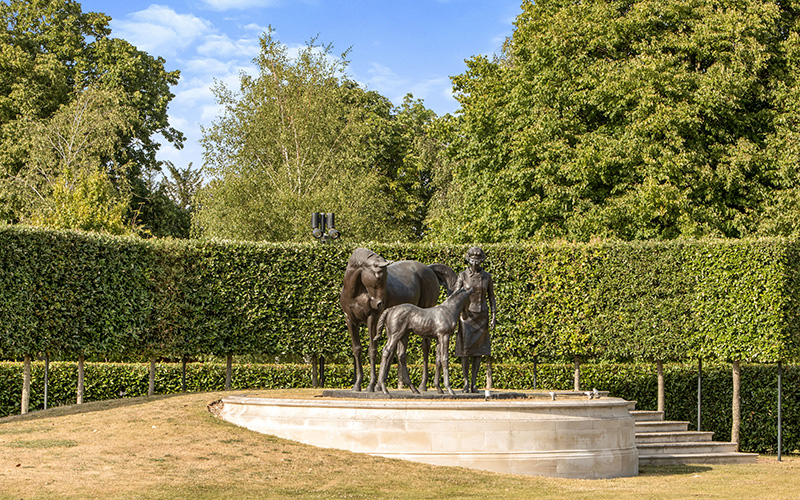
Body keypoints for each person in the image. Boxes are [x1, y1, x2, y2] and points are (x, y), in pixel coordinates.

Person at [454, 246, 496, 393]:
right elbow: (456, 297)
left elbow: (491, 297)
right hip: (466, 316)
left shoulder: (487, 277)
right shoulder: (462, 276)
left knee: (478, 351)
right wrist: (457, 314)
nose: (475, 264)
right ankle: (465, 382)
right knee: (465, 351)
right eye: (472, 261)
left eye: (478, 261)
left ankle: (474, 383)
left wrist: (493, 315)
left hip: (482, 316)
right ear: (468, 261)